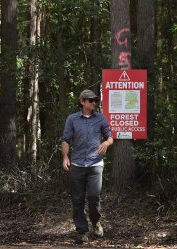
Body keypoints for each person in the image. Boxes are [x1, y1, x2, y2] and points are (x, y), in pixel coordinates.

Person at [60, 89, 113, 243]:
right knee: (77, 200)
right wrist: (65, 157)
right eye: (91, 100)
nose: (94, 103)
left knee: (94, 197)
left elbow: (110, 137)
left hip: (96, 164)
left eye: (95, 100)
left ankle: (96, 222)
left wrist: (106, 142)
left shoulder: (100, 117)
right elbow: (65, 139)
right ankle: (82, 231)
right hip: (77, 164)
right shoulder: (72, 119)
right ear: (82, 101)